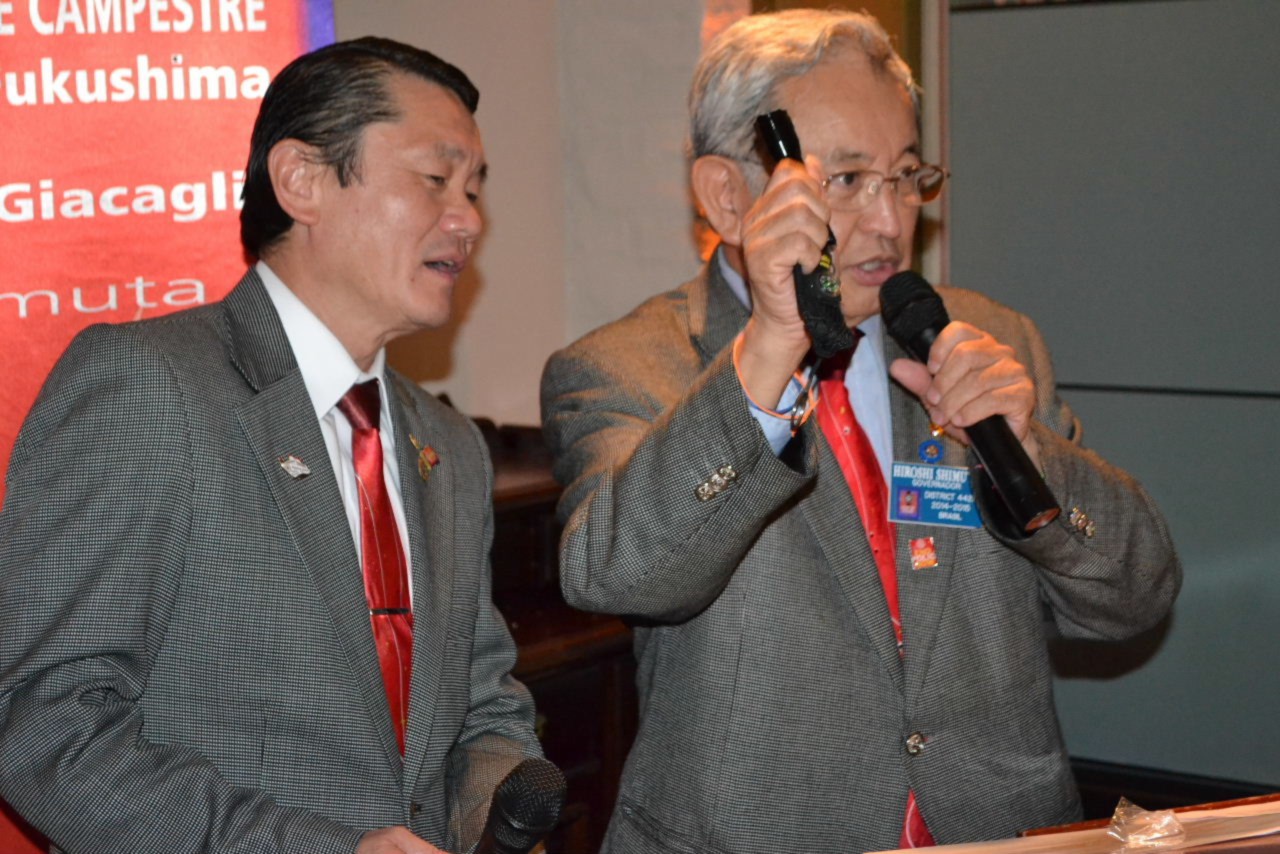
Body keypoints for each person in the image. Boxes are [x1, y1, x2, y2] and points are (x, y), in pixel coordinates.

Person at [540, 10, 1180, 853]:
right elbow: (619, 575)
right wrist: (770, 348)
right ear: (729, 196)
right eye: (846, 180)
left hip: (996, 830)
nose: (889, 220)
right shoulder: (626, 366)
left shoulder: (985, 339)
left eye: (906, 175)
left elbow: (1135, 598)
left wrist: (1031, 453)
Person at [0, 37, 542, 854]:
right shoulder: (149, 387)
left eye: (474, 189)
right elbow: (41, 718)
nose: (468, 219)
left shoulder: (448, 445)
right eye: (436, 179)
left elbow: (480, 707)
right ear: (301, 180)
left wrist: (499, 815)